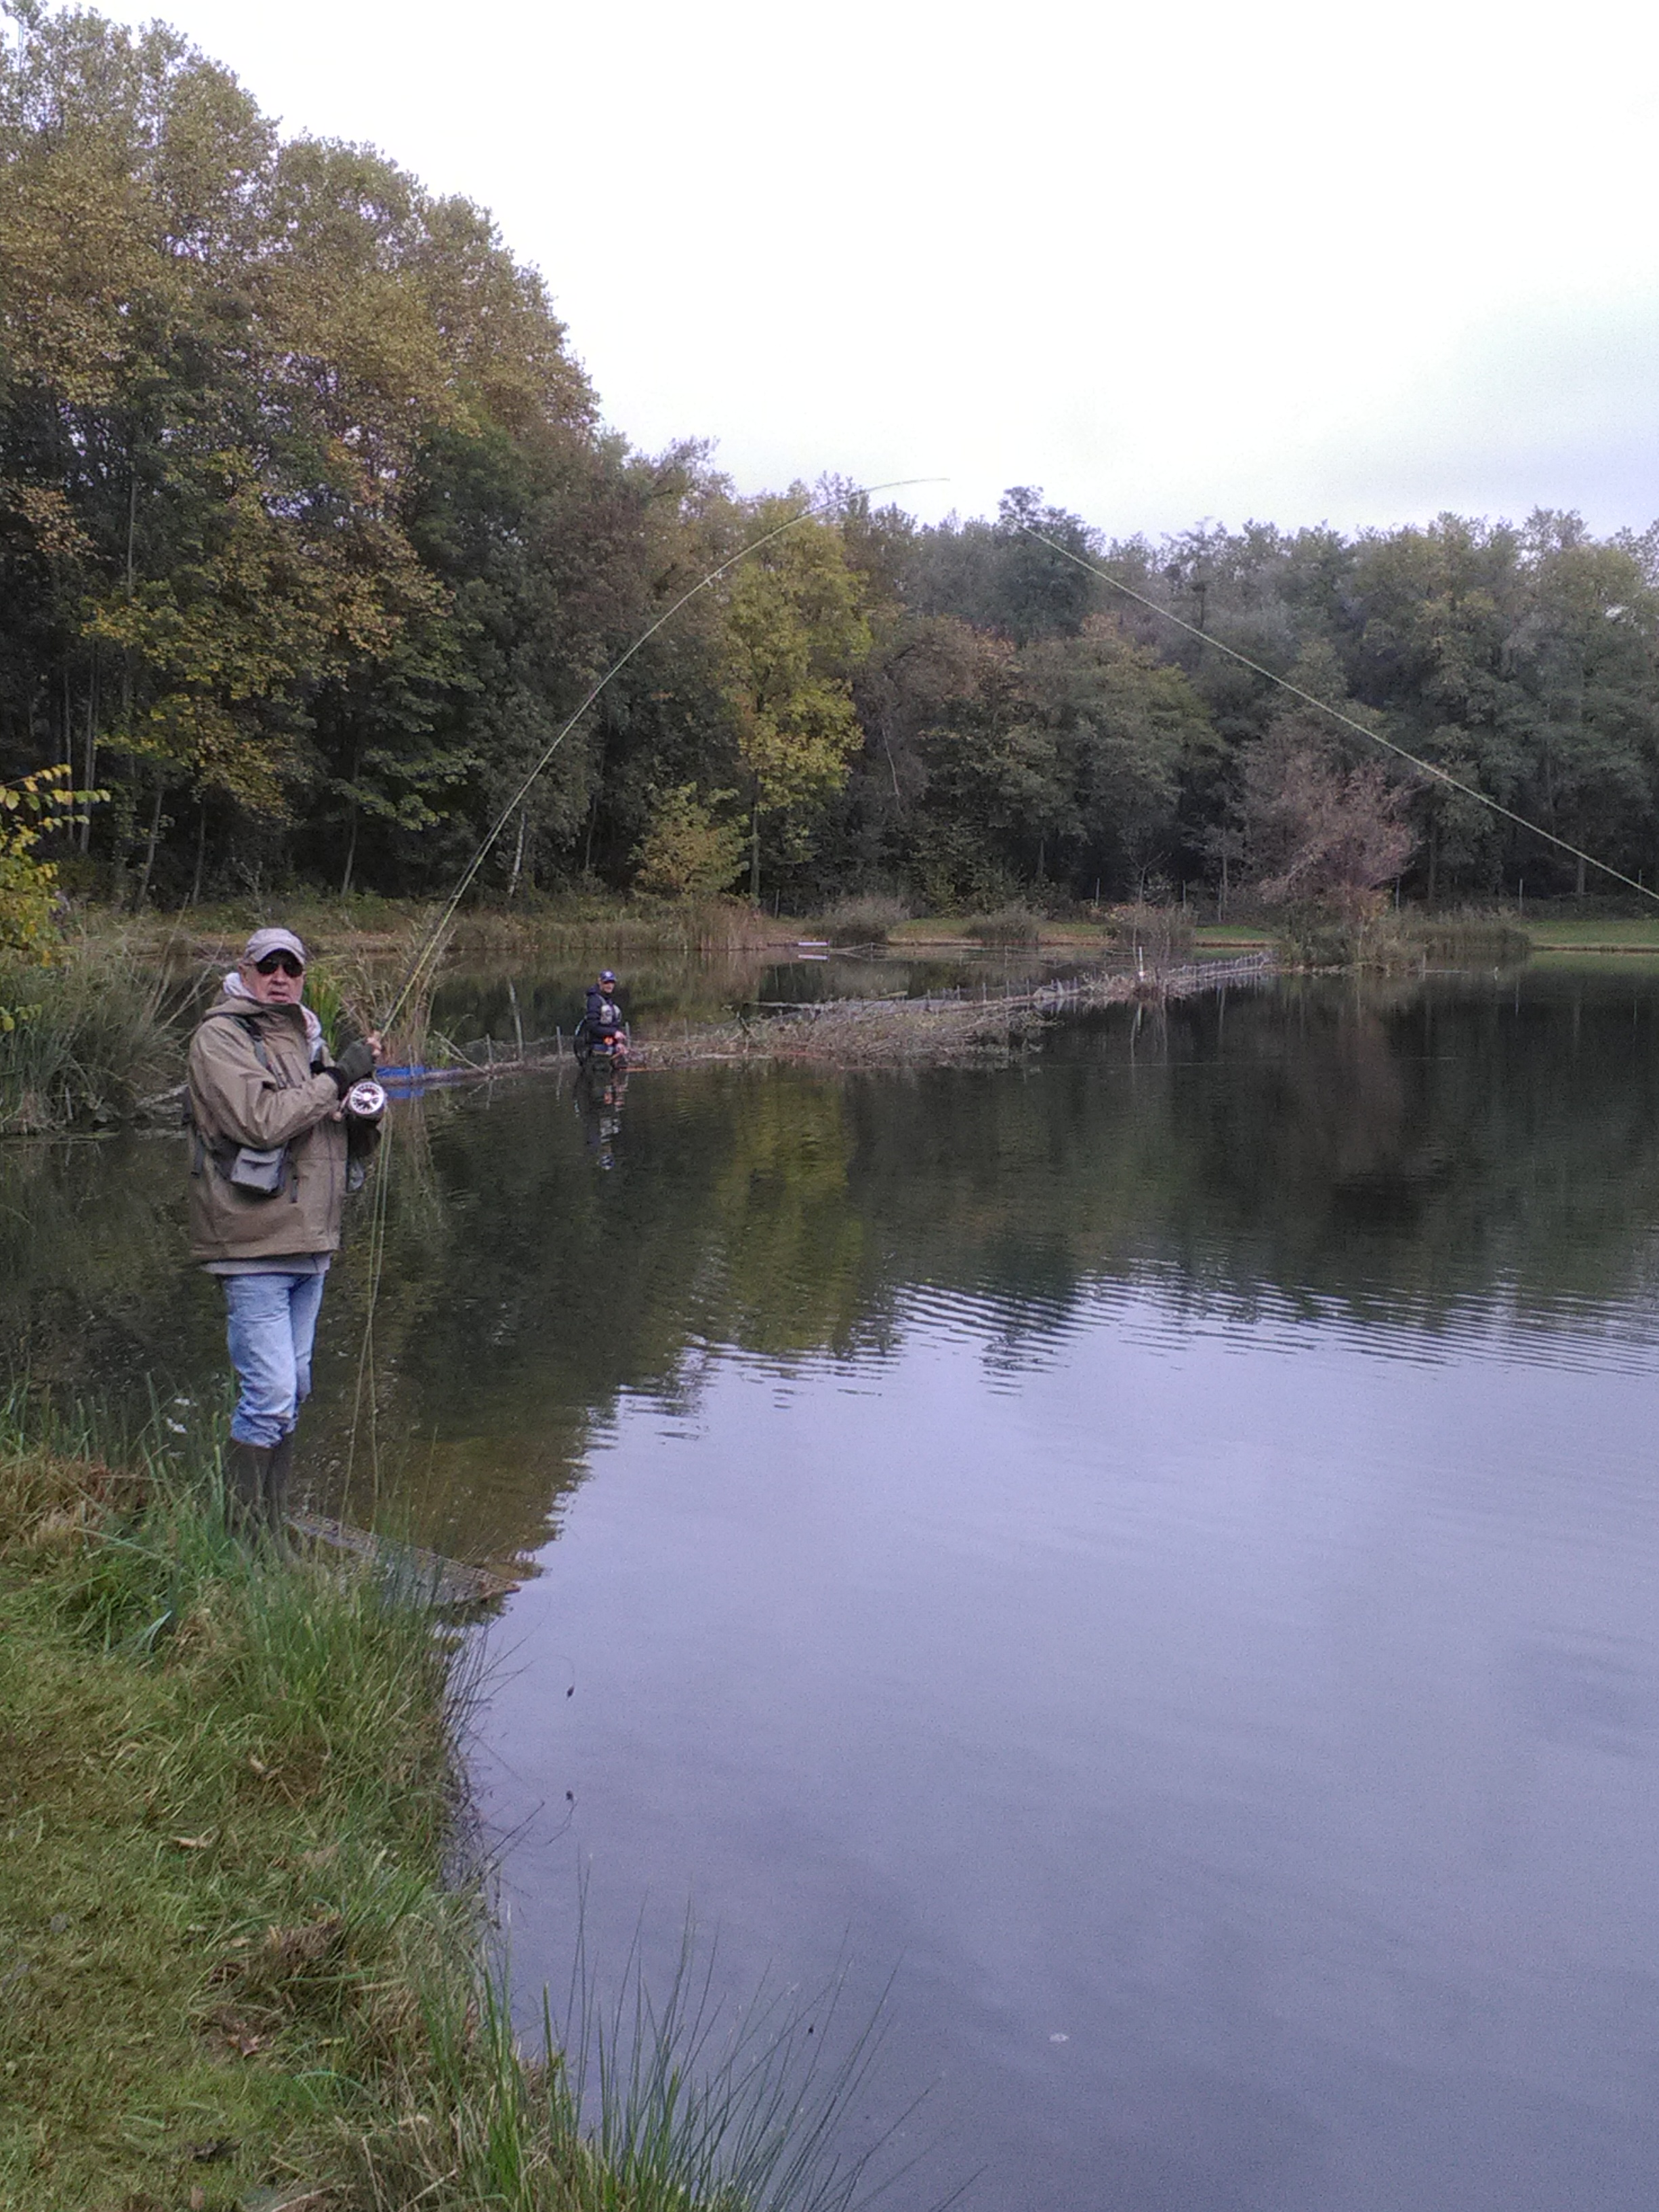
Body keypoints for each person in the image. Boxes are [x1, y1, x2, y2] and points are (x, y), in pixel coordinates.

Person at [186, 926, 380, 1535]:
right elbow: (262, 1122)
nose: (278, 977)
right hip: (252, 1243)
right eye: (266, 965)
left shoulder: (307, 1040)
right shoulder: (221, 1037)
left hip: (310, 1244)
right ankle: (241, 1540)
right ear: (243, 971)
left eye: (289, 968)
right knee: (269, 1394)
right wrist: (336, 1080)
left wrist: (361, 1121)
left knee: (292, 1393)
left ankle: (269, 1533)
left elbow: (325, 1130)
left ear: (302, 976)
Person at [585, 967, 623, 1044]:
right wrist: (613, 1033)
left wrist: (618, 1043)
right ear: (600, 982)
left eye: (612, 982)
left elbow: (613, 1024)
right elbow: (593, 1026)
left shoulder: (608, 1000)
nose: (610, 985)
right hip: (597, 1046)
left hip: (610, 1044)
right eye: (606, 982)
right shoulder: (594, 1000)